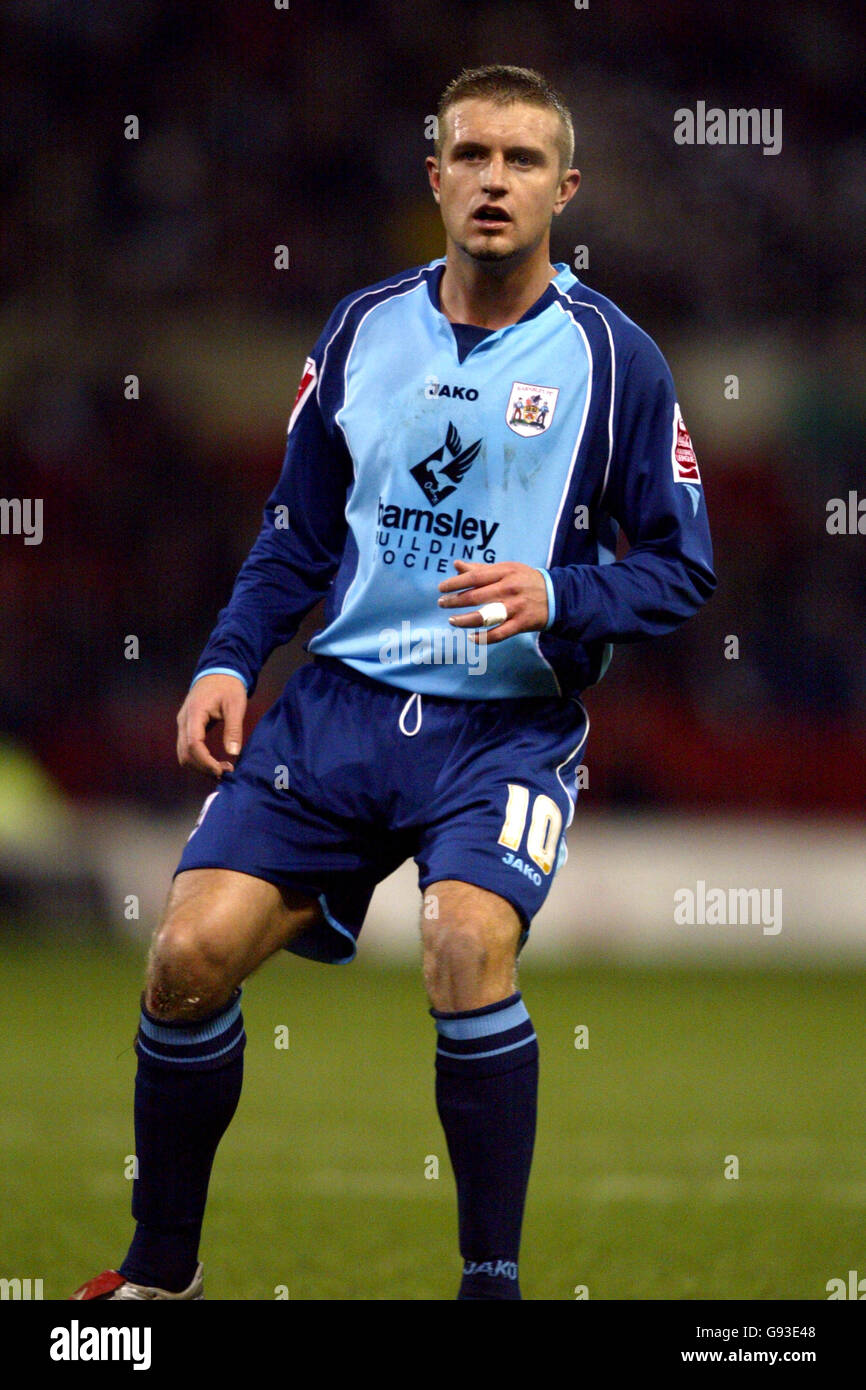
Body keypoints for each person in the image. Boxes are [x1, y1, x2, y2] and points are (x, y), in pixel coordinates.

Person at [71, 63, 715, 1303]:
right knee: (185, 958)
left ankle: (489, 1289)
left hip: (504, 730)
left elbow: (681, 570)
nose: (492, 180)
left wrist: (562, 595)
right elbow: (296, 534)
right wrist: (223, 660)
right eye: (470, 155)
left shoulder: (615, 359)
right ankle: (161, 1277)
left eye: (521, 162)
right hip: (336, 710)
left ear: (563, 190)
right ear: (433, 177)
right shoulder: (363, 328)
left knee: (465, 945)